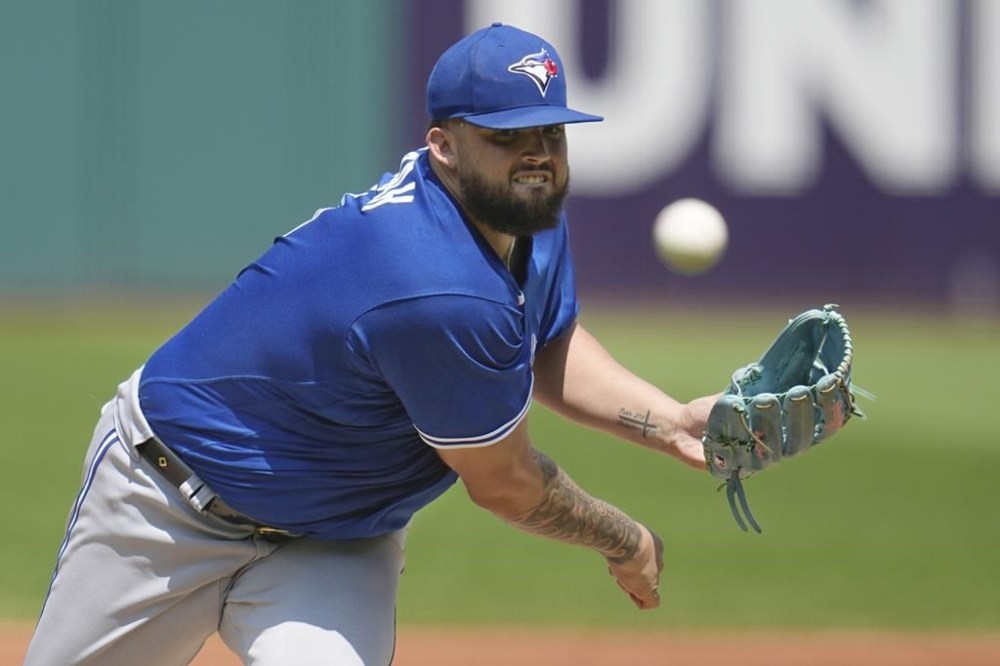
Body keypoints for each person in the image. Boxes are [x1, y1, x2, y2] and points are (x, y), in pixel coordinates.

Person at [26, 22, 715, 665]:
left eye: (550, 133)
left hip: (336, 542)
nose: (536, 156)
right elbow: (508, 485)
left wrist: (673, 425)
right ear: (442, 146)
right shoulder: (435, 284)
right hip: (169, 503)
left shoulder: (520, 215)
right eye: (506, 137)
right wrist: (624, 540)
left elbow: (542, 340)